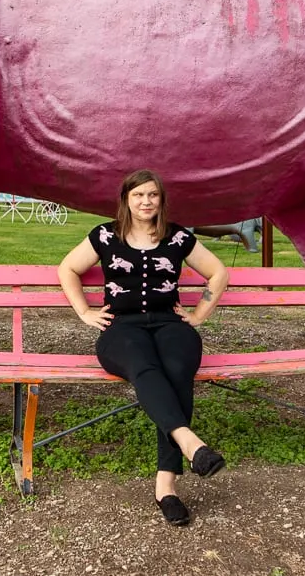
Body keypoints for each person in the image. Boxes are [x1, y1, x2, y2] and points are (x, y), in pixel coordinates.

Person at [56, 169, 230, 526]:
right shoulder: (106, 235)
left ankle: (165, 487)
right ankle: (190, 444)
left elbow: (218, 272)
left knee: (178, 370)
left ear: (161, 199)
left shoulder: (177, 236)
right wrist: (84, 311)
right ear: (127, 200)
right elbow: (68, 269)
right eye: (138, 196)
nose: (146, 201)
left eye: (152, 195)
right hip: (121, 328)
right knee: (145, 366)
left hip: (169, 323)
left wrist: (198, 315)